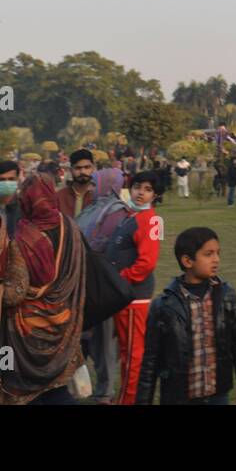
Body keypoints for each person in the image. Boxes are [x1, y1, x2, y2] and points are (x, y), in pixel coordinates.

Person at [0, 174, 87, 404]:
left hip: (24, 331)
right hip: (62, 321)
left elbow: (15, 294)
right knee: (53, 384)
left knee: (17, 384)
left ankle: (0, 392)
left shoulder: (25, 239)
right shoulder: (71, 227)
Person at [135, 227, 236, 405]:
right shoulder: (164, 306)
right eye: (208, 254)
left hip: (217, 396)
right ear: (187, 261)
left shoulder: (225, 296)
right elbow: (150, 362)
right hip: (178, 397)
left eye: (218, 253)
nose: (216, 259)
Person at [75, 168, 129, 404]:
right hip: (83, 279)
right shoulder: (93, 207)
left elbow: (103, 243)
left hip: (101, 283)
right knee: (81, 336)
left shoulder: (116, 211)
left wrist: (80, 247)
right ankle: (79, 385)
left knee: (104, 339)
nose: (92, 187)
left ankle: (104, 392)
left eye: (97, 183)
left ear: (108, 184)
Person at [110, 171, 161, 405]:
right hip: (124, 295)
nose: (141, 192)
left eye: (148, 189)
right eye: (138, 187)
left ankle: (128, 401)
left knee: (132, 354)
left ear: (155, 194)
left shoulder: (149, 219)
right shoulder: (130, 216)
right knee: (126, 352)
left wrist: (122, 277)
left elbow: (147, 262)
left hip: (134, 296)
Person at [57, 149, 97, 218]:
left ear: (93, 168)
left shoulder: (99, 196)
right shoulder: (60, 197)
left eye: (87, 167)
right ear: (71, 170)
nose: (82, 172)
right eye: (78, 168)